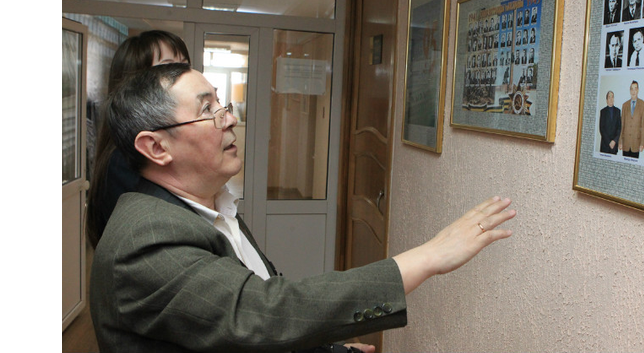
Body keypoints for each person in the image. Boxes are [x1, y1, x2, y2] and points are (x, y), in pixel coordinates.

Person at [90, 63, 516, 353]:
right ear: (156, 148)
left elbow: (242, 323)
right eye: (208, 110)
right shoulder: (146, 240)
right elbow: (263, 313)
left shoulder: (213, 207)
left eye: (222, 104)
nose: (229, 118)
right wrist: (430, 256)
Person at [86, 30, 191, 248]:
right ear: (135, 81)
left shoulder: (164, 138)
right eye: (169, 67)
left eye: (185, 66)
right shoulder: (124, 160)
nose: (184, 76)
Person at [619, 80, 644, 159]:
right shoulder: (625, 105)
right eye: (632, 89)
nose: (633, 91)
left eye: (635, 89)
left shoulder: (642, 104)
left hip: (636, 143)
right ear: (630, 90)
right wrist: (620, 141)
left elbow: (643, 125)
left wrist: (642, 143)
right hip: (626, 142)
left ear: (638, 90)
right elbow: (622, 124)